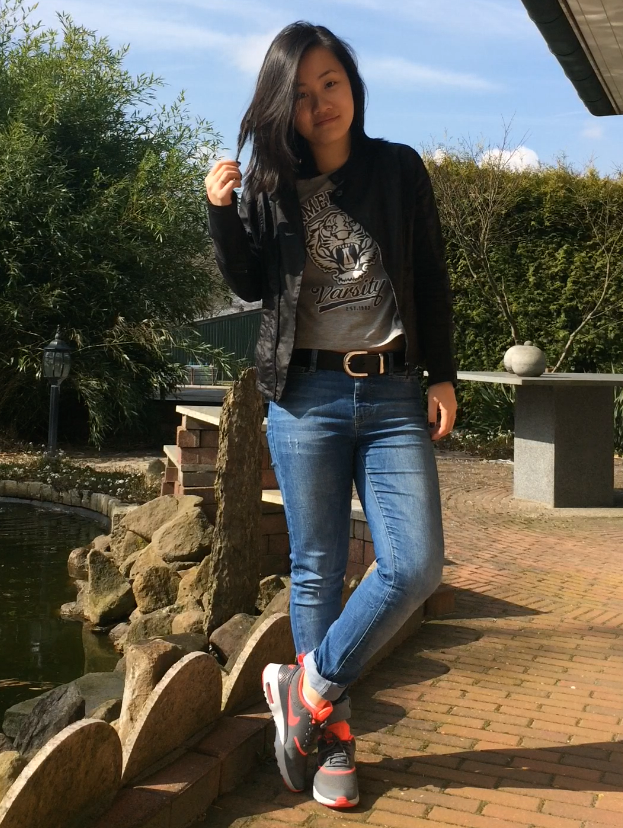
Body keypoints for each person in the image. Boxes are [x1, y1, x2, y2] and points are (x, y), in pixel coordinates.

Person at [205, 21, 457, 810]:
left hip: (391, 394)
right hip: (304, 395)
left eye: (331, 84)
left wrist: (442, 376)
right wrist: (221, 210)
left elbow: (430, 276)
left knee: (414, 565)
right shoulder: (269, 188)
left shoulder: (397, 169)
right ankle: (330, 739)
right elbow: (250, 286)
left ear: (353, 86)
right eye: (304, 92)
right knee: (315, 569)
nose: (321, 103)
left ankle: (306, 686)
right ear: (282, 104)